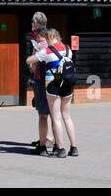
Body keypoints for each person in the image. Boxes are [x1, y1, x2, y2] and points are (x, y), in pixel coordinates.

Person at [35, 28, 78, 158]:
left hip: (53, 86)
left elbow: (31, 61)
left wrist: (36, 54)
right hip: (68, 83)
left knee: (56, 117)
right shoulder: (68, 49)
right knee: (67, 116)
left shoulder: (47, 50)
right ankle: (74, 147)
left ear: (49, 38)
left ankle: (60, 149)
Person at [25, 12, 54, 156]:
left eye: (32, 20)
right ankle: (51, 140)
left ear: (37, 22)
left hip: (41, 79)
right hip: (52, 79)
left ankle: (45, 142)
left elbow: (33, 62)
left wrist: (31, 66)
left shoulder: (40, 38)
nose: (31, 23)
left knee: (43, 113)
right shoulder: (51, 37)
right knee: (53, 113)